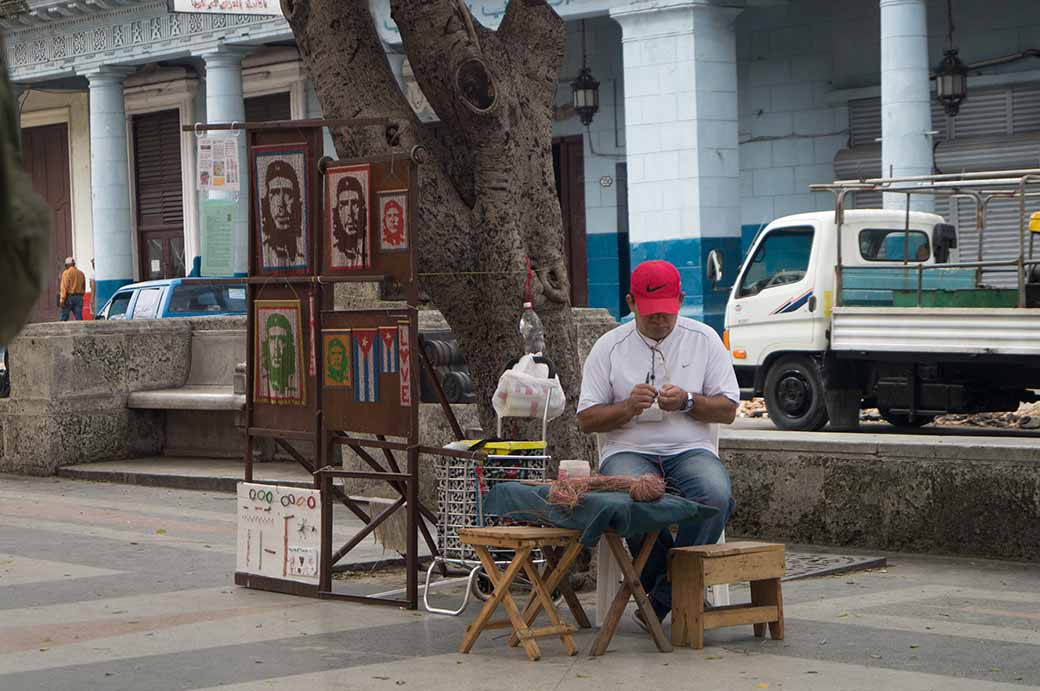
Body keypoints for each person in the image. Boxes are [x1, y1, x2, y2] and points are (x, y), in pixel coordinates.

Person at [577, 259, 739, 629]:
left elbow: (728, 409)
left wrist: (689, 402)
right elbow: (586, 420)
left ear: (681, 300)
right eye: (650, 315)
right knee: (628, 497)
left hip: (689, 449)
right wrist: (626, 408)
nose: (660, 322)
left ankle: (662, 595)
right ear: (631, 302)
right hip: (628, 450)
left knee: (715, 494)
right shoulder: (609, 347)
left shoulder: (704, 339)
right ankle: (679, 589)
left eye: (666, 313)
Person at [260, 159, 304, 267]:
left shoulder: (303, 255)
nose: (281, 205)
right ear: (267, 201)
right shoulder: (264, 253)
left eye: (287, 194)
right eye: (274, 194)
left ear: (297, 200)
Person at [332, 175, 367, 268]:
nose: (349, 213)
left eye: (355, 203)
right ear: (338, 211)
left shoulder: (368, 249)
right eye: (344, 204)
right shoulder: (335, 253)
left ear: (362, 207)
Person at [261, 312, 297, 396]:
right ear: (267, 344)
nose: (277, 348)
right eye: (273, 339)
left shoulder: (293, 383)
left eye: (282, 340)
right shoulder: (264, 383)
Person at [58, 256, 86, 321]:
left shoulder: (66, 273)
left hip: (69, 298)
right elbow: (83, 287)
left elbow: (64, 287)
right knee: (79, 318)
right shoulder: (81, 273)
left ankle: (62, 331)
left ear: (67, 265)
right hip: (79, 297)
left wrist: (62, 300)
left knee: (63, 319)